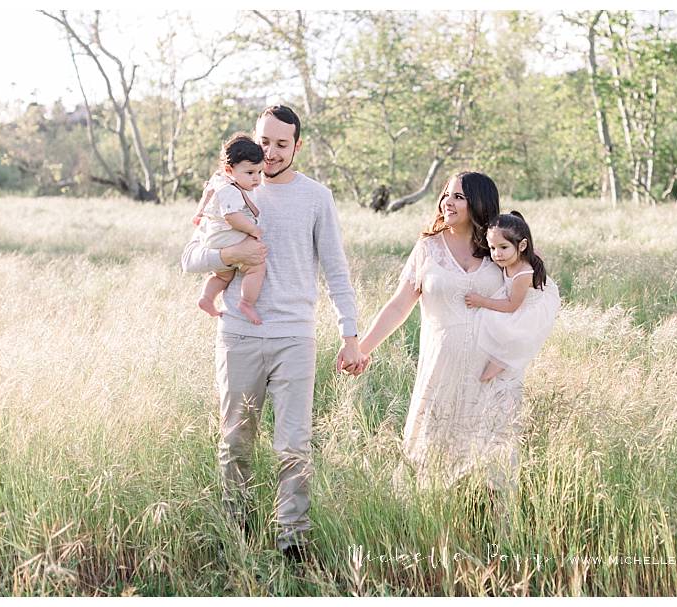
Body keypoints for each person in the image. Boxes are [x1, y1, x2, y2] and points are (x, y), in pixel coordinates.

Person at [181, 105, 365, 557]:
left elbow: (337, 272)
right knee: (235, 439)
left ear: (297, 146)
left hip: (294, 336)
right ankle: (235, 531)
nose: (271, 152)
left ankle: (292, 539)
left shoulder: (316, 197)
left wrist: (350, 334)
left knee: (293, 444)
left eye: (282, 144)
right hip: (239, 333)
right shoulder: (229, 188)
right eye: (265, 142)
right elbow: (190, 258)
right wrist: (232, 255)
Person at [358, 171, 508, 488]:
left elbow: (530, 303)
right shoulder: (428, 248)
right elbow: (399, 305)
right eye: (445, 194)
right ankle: (435, 531)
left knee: (488, 472)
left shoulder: (500, 252)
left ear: (479, 203)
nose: (447, 202)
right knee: (433, 467)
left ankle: (490, 534)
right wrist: (361, 349)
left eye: (458, 196)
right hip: (441, 370)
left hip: (490, 374)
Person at [464, 212, 561, 383]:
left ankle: (500, 362)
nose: (497, 254)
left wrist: (481, 301)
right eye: (492, 248)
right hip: (515, 296)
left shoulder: (522, 274)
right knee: (491, 321)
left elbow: (511, 306)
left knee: (511, 332)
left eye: (503, 247)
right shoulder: (508, 259)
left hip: (529, 305)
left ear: (522, 246)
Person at [194, 133, 266, 325]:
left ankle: (207, 298)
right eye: (250, 173)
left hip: (214, 239)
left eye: (259, 172)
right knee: (257, 267)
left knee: (223, 275)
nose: (256, 179)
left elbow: (206, 198)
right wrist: (253, 230)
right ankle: (247, 302)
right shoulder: (231, 189)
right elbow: (232, 217)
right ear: (229, 170)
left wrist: (198, 213)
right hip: (225, 236)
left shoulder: (219, 182)